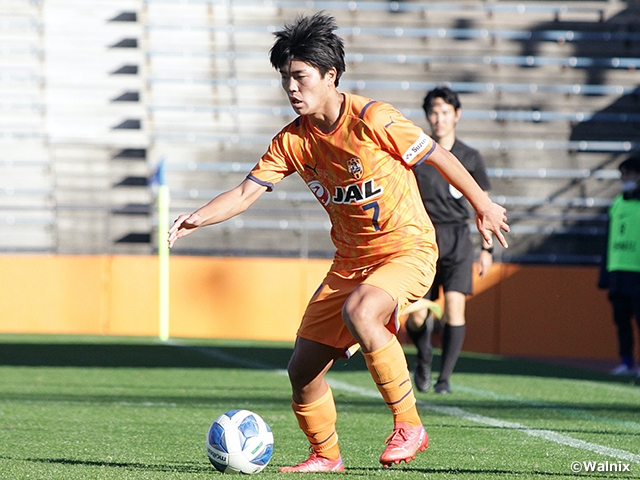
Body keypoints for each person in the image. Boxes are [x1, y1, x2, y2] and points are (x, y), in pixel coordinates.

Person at [168, 13, 509, 472]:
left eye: (299, 77)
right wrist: (196, 219)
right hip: (350, 263)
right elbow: (246, 193)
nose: (291, 88)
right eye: (285, 78)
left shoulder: (373, 118)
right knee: (302, 373)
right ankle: (326, 456)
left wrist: (483, 205)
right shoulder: (293, 141)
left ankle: (409, 423)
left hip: (407, 249)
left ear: (330, 76)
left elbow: (438, 156)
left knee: (362, 311)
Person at [405, 87, 494, 394]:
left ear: (456, 115)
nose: (438, 119)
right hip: (422, 240)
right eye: (433, 112)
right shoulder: (416, 154)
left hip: (458, 240)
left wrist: (487, 248)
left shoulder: (470, 157)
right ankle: (424, 353)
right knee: (416, 316)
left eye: (445, 112)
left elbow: (484, 204)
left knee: (456, 309)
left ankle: (444, 380)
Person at [598, 154, 640, 377]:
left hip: (637, 272)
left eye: (629, 174)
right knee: (621, 321)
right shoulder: (617, 204)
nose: (625, 179)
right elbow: (609, 240)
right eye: (622, 175)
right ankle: (626, 362)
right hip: (618, 271)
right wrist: (605, 272)